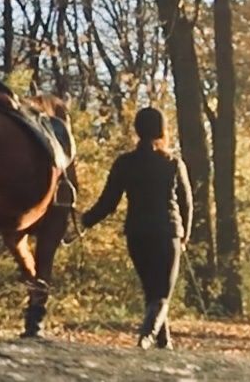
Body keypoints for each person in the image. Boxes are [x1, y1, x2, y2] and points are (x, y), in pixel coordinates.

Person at [77, 107, 193, 350]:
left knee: (152, 293)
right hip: (167, 232)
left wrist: (84, 221)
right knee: (162, 295)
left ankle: (165, 344)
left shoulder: (125, 163)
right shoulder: (172, 163)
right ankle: (147, 338)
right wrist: (185, 235)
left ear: (137, 129)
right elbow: (186, 203)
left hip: (137, 235)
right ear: (162, 129)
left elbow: (108, 203)